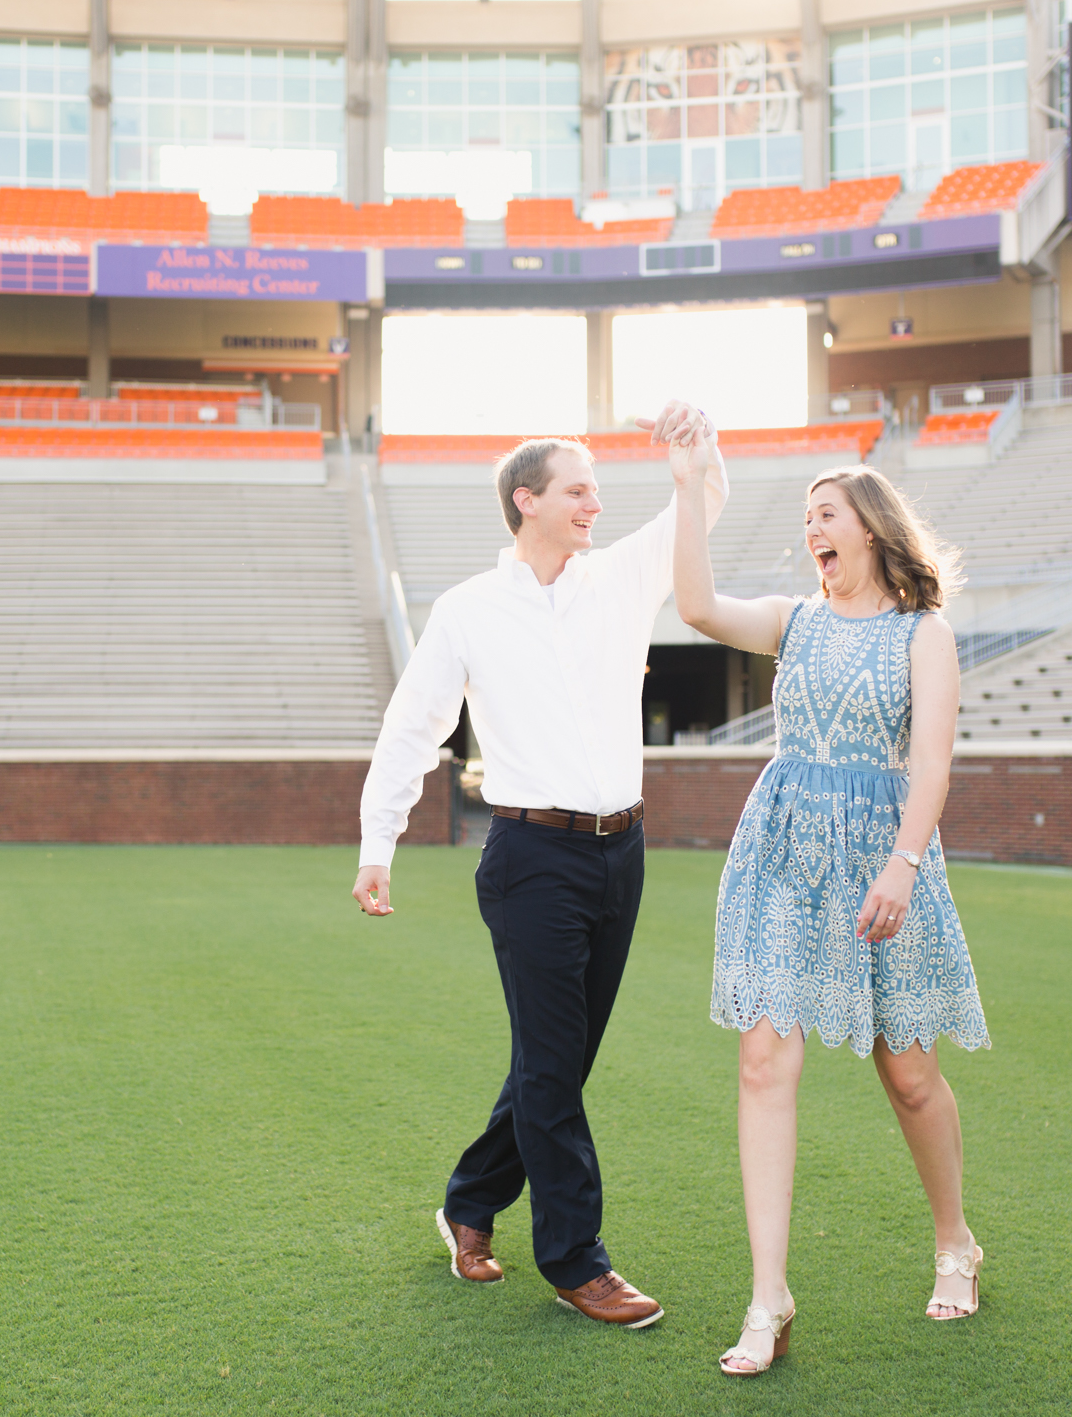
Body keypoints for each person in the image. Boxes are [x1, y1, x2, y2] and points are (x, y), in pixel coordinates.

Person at [352, 403, 727, 1330]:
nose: (596, 502)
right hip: (530, 859)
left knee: (557, 1062)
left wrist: (696, 456)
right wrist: (378, 842)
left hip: (621, 853)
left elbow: (702, 509)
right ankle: (576, 1260)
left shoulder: (620, 578)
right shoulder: (470, 609)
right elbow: (414, 726)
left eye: (598, 488)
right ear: (527, 501)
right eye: (578, 488)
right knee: (555, 1065)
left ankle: (469, 1201)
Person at [669, 460, 990, 1376]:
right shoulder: (793, 620)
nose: (813, 531)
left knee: (911, 1075)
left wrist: (900, 865)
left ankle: (954, 1239)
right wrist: (688, 484)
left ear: (874, 530)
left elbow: (931, 766)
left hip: (885, 860)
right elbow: (694, 604)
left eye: (827, 515)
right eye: (807, 519)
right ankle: (768, 1294)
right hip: (783, 849)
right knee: (765, 1056)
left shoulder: (923, 634)